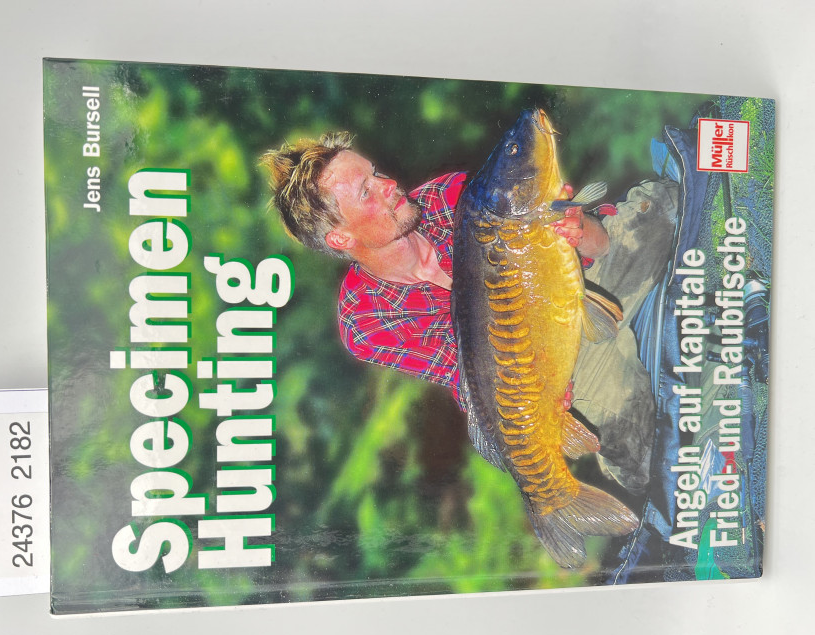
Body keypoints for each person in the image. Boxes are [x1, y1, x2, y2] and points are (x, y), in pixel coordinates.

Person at [261, 130, 677, 492]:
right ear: (340, 237)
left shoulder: (453, 198)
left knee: (664, 208)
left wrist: (578, 229)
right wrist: (542, 398)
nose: (388, 184)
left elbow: (593, 250)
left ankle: (654, 319)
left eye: (376, 173)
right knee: (640, 450)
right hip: (543, 373)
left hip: (579, 291)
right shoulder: (366, 322)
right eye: (366, 192)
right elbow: (470, 378)